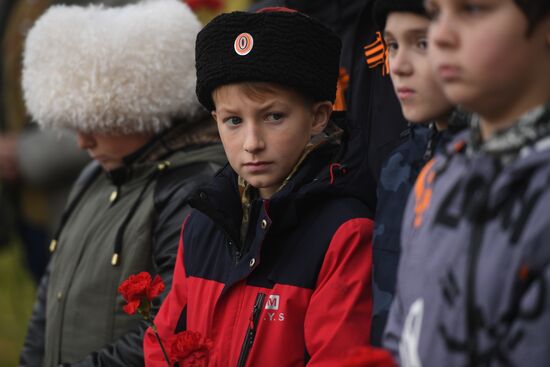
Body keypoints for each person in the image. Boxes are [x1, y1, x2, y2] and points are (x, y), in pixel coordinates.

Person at [144, 7, 374, 366]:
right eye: (233, 120)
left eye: (273, 116)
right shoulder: (202, 224)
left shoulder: (344, 234)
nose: (252, 142)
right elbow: (164, 346)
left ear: (318, 116)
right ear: (214, 121)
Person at [19, 1, 226, 366]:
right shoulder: (93, 177)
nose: (83, 142)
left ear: (142, 108)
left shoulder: (191, 190)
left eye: (96, 122)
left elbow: (173, 329)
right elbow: (48, 301)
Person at [384, 0, 550, 365]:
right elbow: (403, 331)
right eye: (436, 13)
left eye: (473, 9)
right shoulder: (439, 175)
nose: (441, 35)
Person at [369, 0, 468, 345]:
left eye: (422, 43)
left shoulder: (497, 166)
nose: (399, 65)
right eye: (392, 45)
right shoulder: (397, 165)